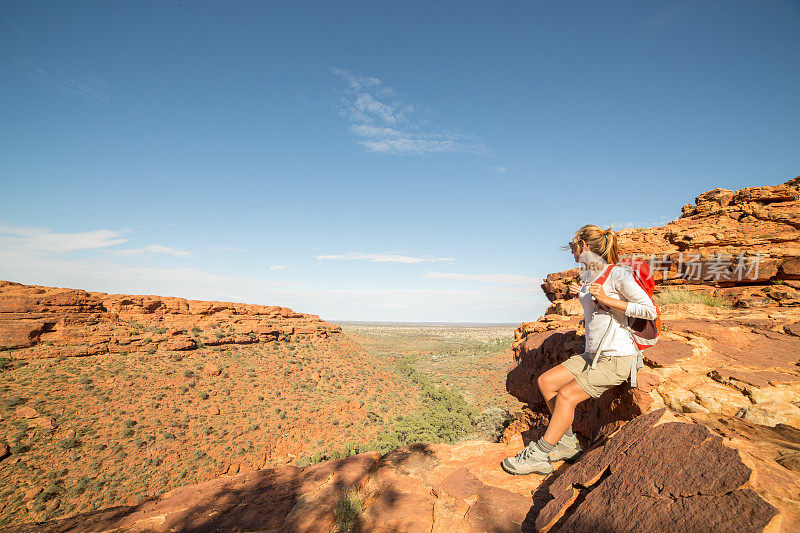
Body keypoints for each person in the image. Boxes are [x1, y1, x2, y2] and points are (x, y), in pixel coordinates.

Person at [501, 224, 658, 475]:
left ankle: (540, 455)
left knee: (566, 396)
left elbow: (649, 309)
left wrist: (607, 300)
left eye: (573, 246)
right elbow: (595, 309)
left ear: (583, 246)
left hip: (617, 358)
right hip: (592, 354)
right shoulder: (590, 275)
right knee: (547, 382)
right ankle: (566, 443)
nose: (572, 251)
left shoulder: (618, 274)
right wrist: (580, 294)